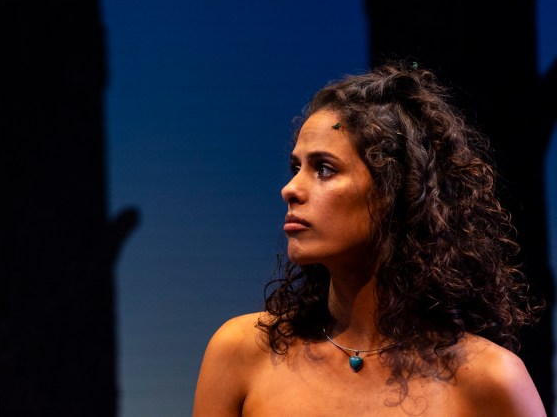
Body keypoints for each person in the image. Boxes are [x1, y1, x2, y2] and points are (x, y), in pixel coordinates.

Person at [192, 61, 546, 416]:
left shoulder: (489, 379)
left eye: (324, 169)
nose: (290, 189)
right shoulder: (243, 353)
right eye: (296, 168)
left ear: (396, 192)